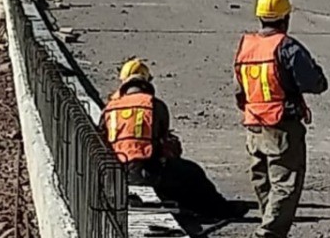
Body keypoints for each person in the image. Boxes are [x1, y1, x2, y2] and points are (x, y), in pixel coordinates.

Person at [103, 59, 246, 220]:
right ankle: (220, 211)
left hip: (115, 173)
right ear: (146, 82)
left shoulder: (110, 108)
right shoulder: (154, 105)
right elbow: (164, 143)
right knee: (192, 173)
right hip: (147, 172)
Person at [236, 0, 328, 238]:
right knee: (285, 184)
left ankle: (272, 229)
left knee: (263, 181)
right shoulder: (287, 47)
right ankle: (268, 234)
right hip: (281, 126)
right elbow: (316, 83)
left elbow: (239, 91)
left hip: (253, 125)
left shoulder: (247, 46)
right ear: (285, 18)